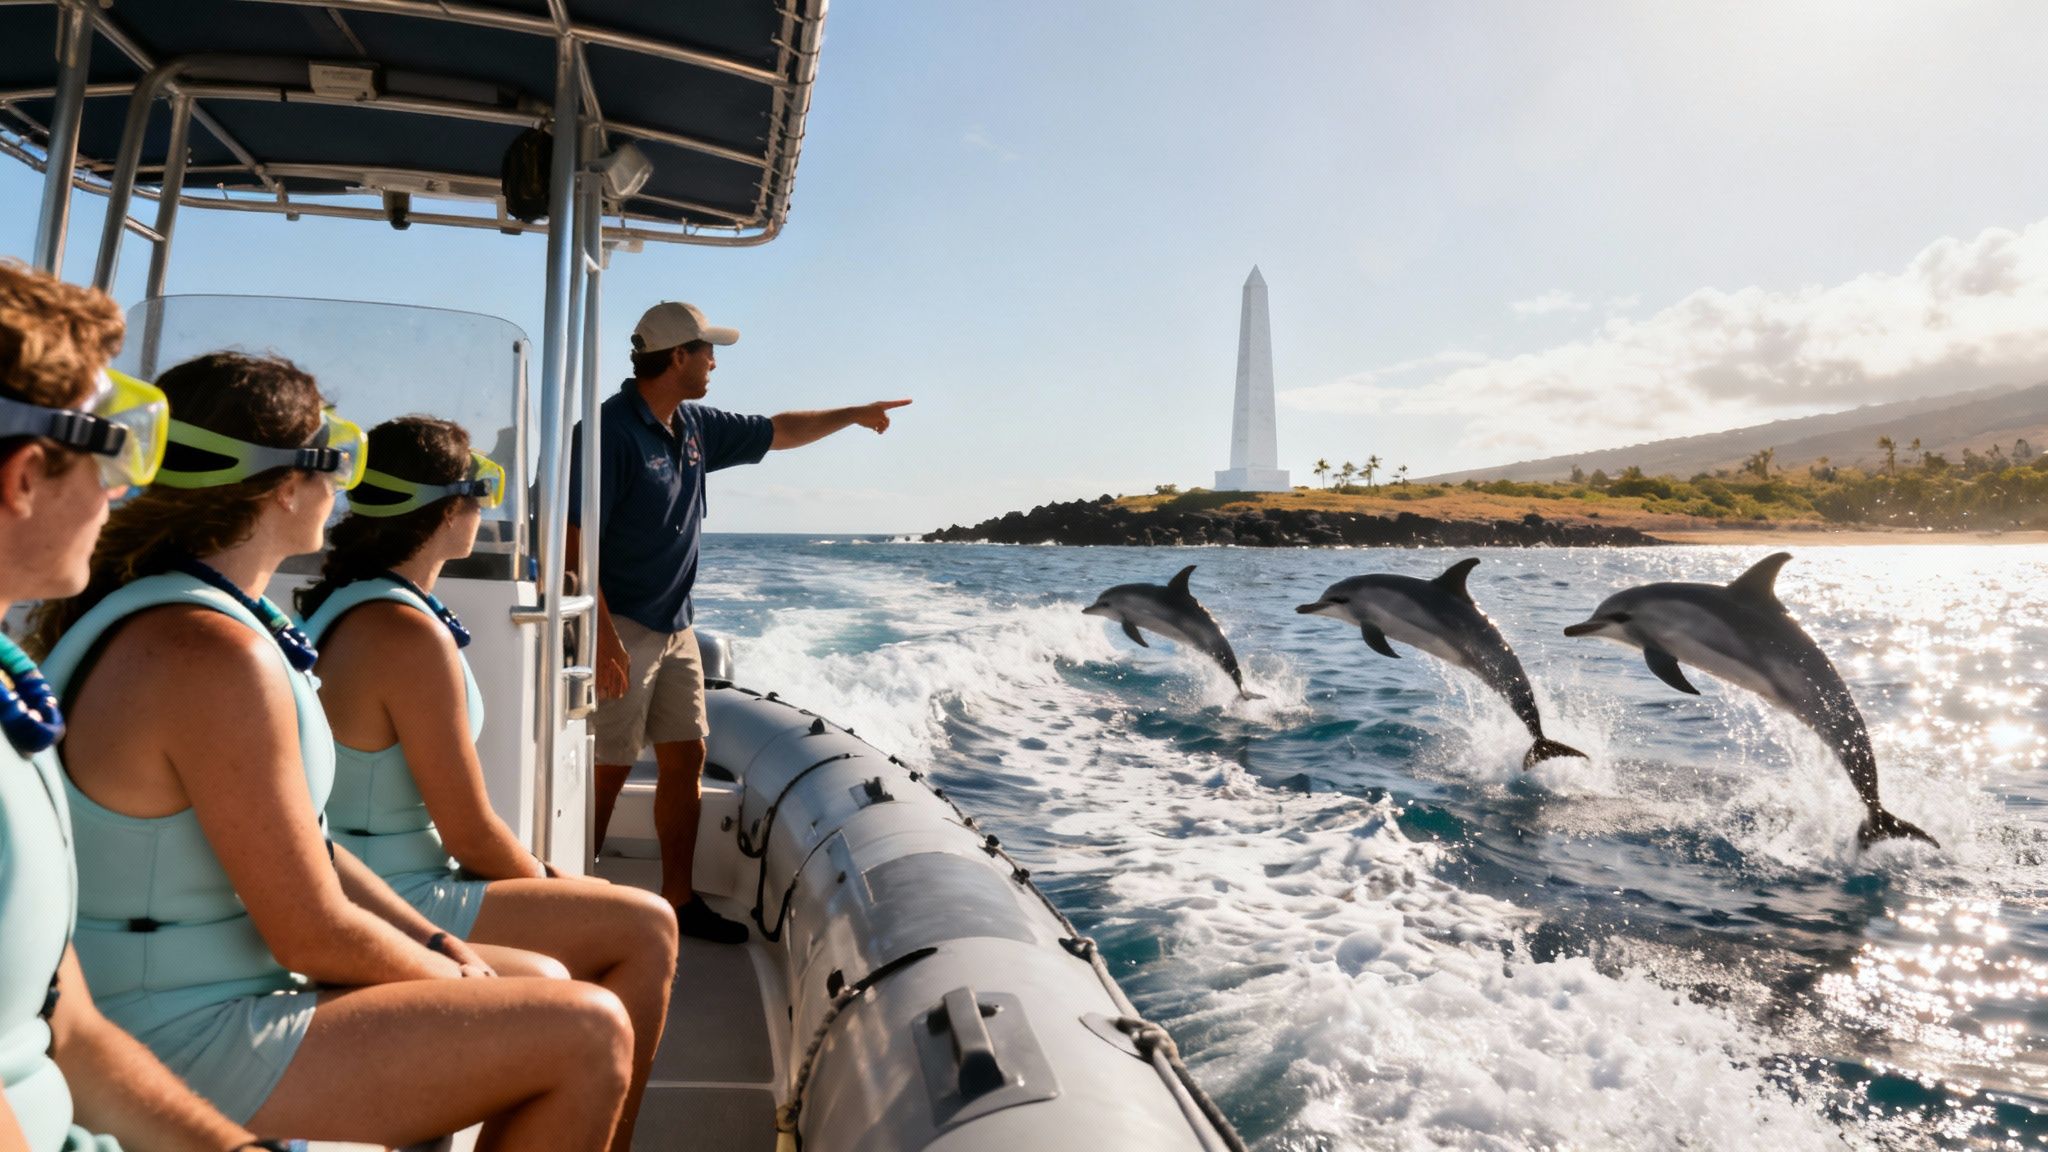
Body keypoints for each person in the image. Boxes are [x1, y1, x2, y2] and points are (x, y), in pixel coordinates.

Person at [29, 351, 635, 1149]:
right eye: (337, 462)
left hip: (195, 987)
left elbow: (312, 847)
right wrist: (453, 981)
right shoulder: (206, 651)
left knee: (532, 992)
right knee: (584, 1030)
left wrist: (440, 947)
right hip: (177, 1023)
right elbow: (307, 932)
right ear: (286, 484)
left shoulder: (197, 619)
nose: (344, 490)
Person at [297, 414, 679, 1152]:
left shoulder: (357, 602)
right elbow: (470, 832)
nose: (487, 511)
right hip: (396, 888)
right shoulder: (404, 633)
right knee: (646, 927)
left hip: (383, 870)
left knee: (605, 908)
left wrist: (559, 888)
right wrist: (557, 885)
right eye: (483, 491)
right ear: (449, 507)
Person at [0, 262, 276, 1152]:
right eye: (114, 446)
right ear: (26, 475)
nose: (124, 489)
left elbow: (69, 1032)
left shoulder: (15, 704)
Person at [569, 300, 910, 942]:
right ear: (678, 357)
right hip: (622, 626)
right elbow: (568, 538)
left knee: (686, 757)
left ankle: (677, 901)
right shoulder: (608, 432)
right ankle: (572, 904)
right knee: (609, 767)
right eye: (707, 352)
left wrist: (854, 415)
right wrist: (604, 635)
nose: (714, 363)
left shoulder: (694, 424)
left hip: (676, 627)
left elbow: (779, 430)